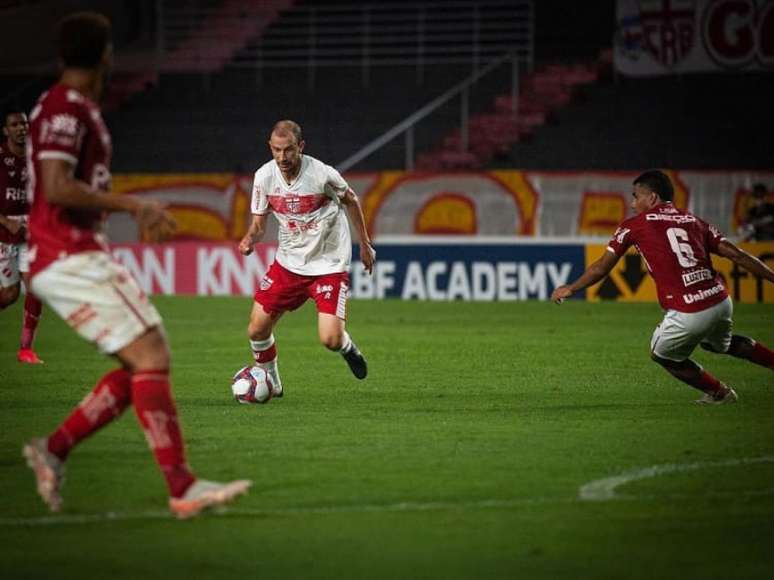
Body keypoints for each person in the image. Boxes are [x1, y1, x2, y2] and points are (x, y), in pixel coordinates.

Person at [22, 12, 250, 518]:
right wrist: (135, 206)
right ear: (106, 56)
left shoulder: (69, 106)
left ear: (62, 56)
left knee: (140, 360)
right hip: (66, 251)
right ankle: (182, 486)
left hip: (67, 251)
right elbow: (57, 187)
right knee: (152, 353)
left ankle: (53, 450)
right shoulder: (67, 108)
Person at [551, 170, 774, 404]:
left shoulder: (634, 226)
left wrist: (571, 287)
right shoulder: (693, 220)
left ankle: (720, 393)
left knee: (662, 354)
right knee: (721, 344)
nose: (632, 203)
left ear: (653, 198)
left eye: (636, 196)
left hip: (689, 310)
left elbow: (601, 268)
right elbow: (737, 255)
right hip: (720, 300)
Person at [239, 120, 376, 394]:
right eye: (276, 150)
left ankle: (348, 348)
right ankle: (272, 383)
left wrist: (364, 244)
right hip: (289, 264)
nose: (282, 157)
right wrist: (249, 239)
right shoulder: (264, 177)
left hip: (328, 264)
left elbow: (351, 200)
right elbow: (258, 225)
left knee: (330, 339)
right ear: (270, 147)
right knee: (256, 330)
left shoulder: (322, 174)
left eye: (288, 150)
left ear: (300, 147)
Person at [0, 108, 45, 364]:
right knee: (9, 295)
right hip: (3, 234)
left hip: (30, 233)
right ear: (6, 130)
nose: (21, 128)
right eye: (15, 124)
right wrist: (6, 221)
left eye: (24, 124)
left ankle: (26, 349)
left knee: (36, 286)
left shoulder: (35, 158)